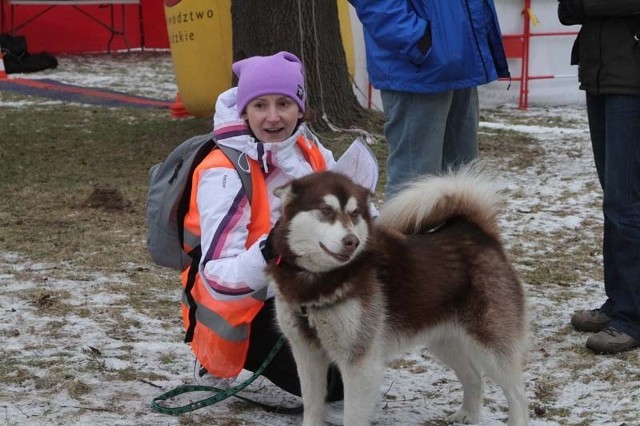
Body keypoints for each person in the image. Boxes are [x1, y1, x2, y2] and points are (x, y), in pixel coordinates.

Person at [180, 51, 345, 419]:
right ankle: (217, 360)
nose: (273, 117)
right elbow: (218, 278)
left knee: (357, 363)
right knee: (334, 385)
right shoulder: (224, 172)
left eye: (284, 103)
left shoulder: (307, 146)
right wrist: (272, 248)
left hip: (304, 290)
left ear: (300, 108)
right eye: (260, 105)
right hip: (244, 307)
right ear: (244, 111)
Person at [348, 0, 510, 199]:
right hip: (417, 70)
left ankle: (455, 231)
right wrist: (416, 39)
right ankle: (410, 231)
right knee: (414, 192)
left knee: (464, 188)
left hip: (461, 61)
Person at [557, 1, 640, 354]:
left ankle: (633, 315)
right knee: (615, 200)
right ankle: (618, 301)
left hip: (631, 79)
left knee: (625, 203)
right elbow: (566, 9)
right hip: (599, 75)